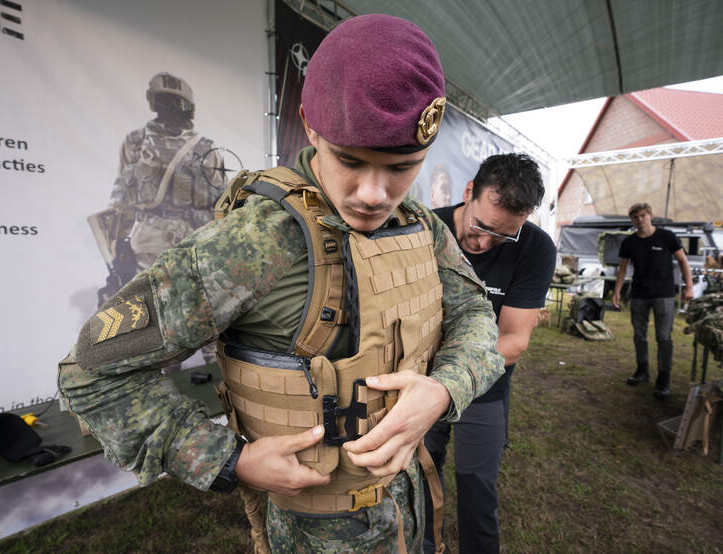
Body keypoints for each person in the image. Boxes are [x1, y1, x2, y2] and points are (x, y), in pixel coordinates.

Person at [58, 14, 504, 554]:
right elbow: (90, 372)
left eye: (401, 168)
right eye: (350, 160)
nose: (374, 194)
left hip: (407, 509)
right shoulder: (258, 242)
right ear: (310, 127)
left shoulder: (420, 226)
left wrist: (444, 388)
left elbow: (475, 316)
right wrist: (231, 459)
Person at [423, 154, 556, 554]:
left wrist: (448, 382)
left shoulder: (535, 248)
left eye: (503, 236)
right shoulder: (425, 229)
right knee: (420, 483)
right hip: (419, 381)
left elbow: (513, 340)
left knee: (477, 493)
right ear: (469, 192)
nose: (483, 243)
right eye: (481, 226)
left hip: (484, 389)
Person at [95, 72, 225, 366]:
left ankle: (218, 376)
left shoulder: (206, 148)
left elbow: (220, 203)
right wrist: (117, 244)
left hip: (195, 241)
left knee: (207, 315)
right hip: (149, 239)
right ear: (153, 102)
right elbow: (122, 194)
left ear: (188, 107)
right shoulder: (136, 143)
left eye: (176, 102)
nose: (169, 108)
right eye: (164, 101)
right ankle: (165, 375)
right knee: (156, 321)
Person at [612, 202, 694, 398]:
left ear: (650, 215)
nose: (640, 220)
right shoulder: (629, 242)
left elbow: (683, 260)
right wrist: (617, 291)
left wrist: (689, 286)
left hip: (663, 295)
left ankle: (663, 379)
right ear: (631, 220)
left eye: (643, 216)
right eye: (635, 217)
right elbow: (622, 269)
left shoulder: (667, 236)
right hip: (639, 294)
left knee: (664, 337)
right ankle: (642, 371)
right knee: (639, 335)